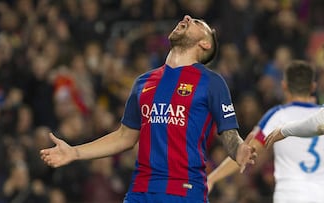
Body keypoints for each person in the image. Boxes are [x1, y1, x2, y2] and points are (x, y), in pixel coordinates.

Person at [40, 15, 256, 203]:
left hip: (185, 192)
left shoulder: (212, 82)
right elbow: (125, 137)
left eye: (198, 22)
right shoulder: (143, 82)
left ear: (205, 44)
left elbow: (229, 134)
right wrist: (75, 152)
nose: (188, 17)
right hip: (140, 192)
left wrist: (239, 150)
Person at [207, 60, 324, 203]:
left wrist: (212, 178)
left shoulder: (277, 116)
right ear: (312, 87)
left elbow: (246, 152)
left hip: (289, 195)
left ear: (284, 86)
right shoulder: (321, 114)